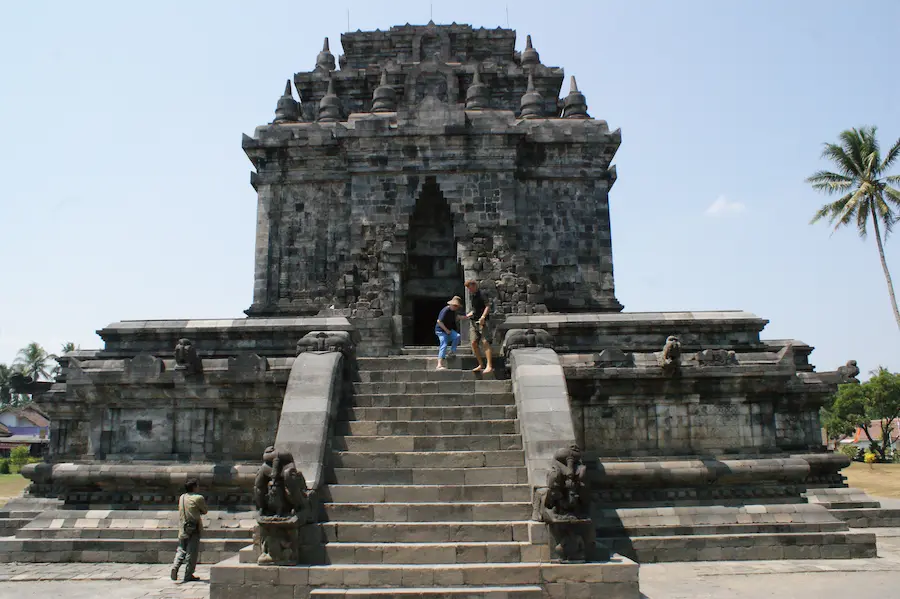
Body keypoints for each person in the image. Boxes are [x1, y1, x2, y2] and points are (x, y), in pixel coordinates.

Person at [171, 478, 208, 583]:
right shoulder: (198, 498)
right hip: (193, 528)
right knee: (192, 552)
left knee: (181, 549)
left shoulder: (182, 497)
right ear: (194, 487)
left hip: (183, 527)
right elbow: (205, 510)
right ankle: (188, 574)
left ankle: (175, 567)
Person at [465, 279, 494, 374]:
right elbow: (474, 309)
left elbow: (487, 306)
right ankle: (481, 364)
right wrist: (465, 316)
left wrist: (483, 317)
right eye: (468, 288)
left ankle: (489, 365)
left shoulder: (482, 294)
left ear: (474, 286)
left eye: (470, 288)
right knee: (473, 342)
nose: (469, 290)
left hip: (483, 321)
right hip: (474, 321)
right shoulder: (471, 296)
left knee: (485, 341)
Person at [435, 295, 466, 371]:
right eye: (454, 305)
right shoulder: (445, 310)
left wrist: (468, 315)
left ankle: (452, 352)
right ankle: (439, 364)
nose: (456, 307)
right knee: (444, 344)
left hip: (448, 330)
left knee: (457, 336)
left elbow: (458, 317)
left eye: (457, 306)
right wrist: (446, 330)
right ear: (451, 304)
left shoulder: (453, 311)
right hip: (441, 330)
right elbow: (439, 321)